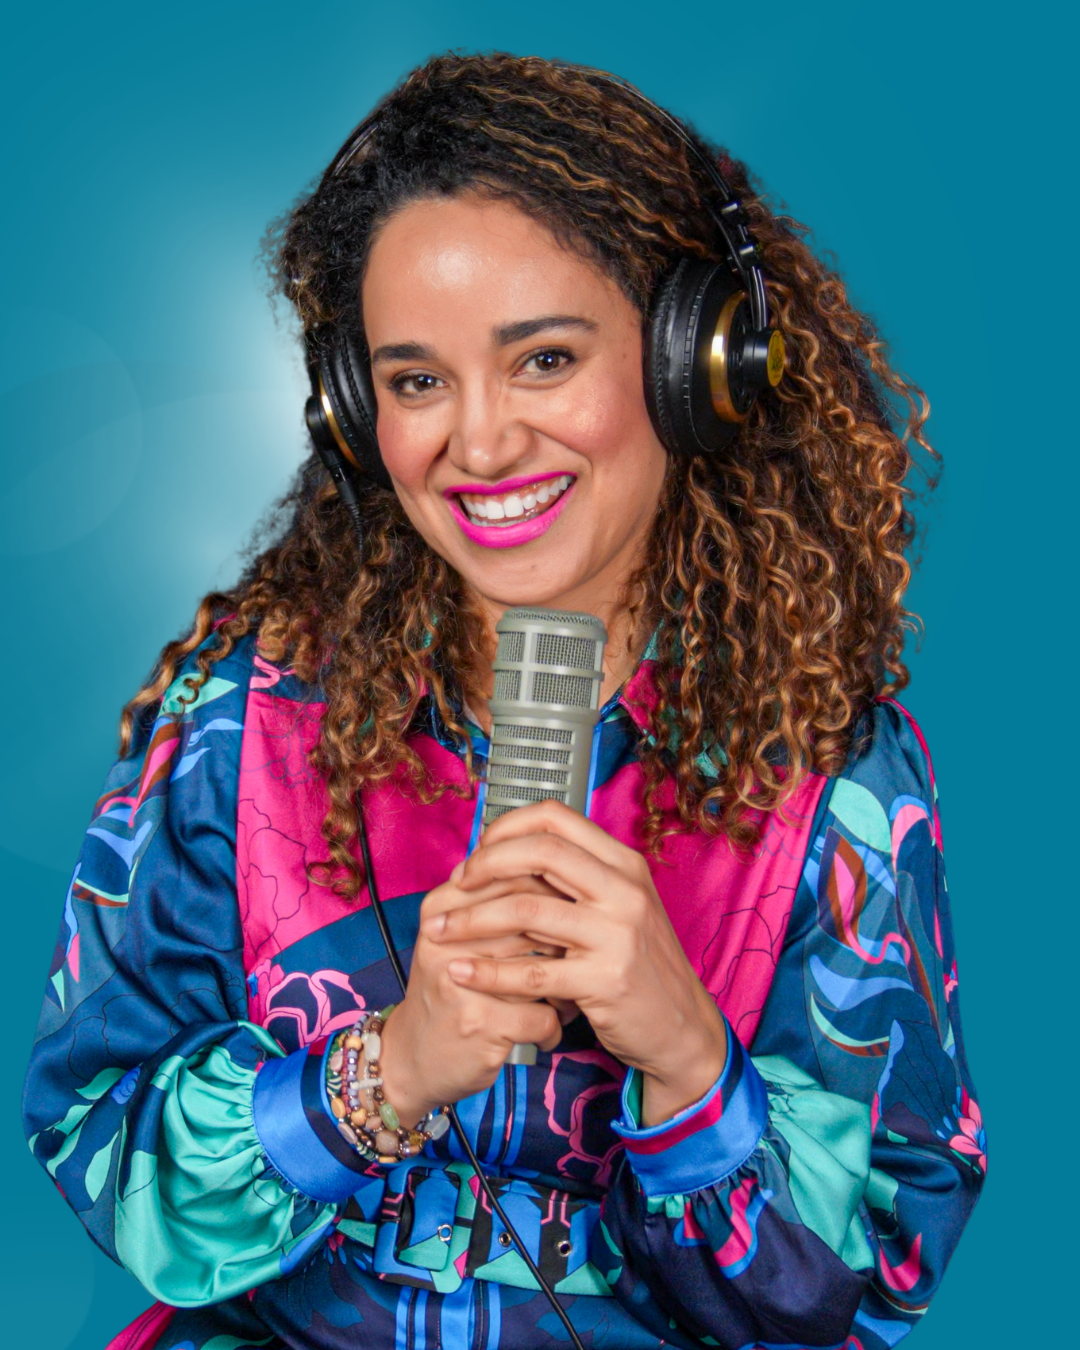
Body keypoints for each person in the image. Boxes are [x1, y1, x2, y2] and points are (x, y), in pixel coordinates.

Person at [22, 52, 985, 1350]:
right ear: (357, 409)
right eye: (417, 380)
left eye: (542, 359)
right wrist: (385, 1074)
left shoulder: (835, 773)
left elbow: (874, 1282)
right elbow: (94, 1135)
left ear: (695, 359)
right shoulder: (240, 717)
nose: (478, 444)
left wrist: (691, 1063)